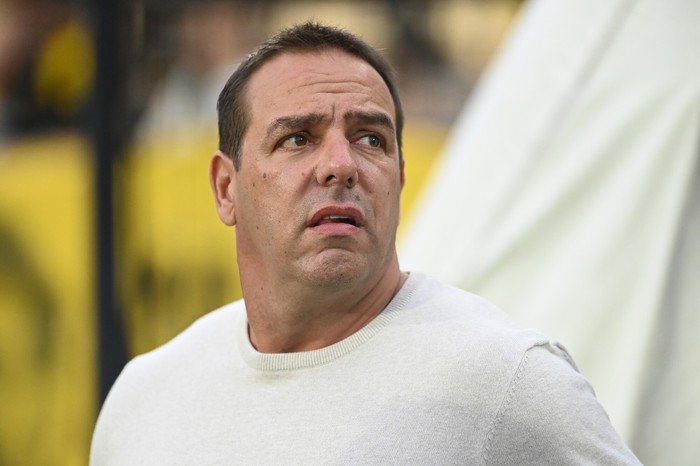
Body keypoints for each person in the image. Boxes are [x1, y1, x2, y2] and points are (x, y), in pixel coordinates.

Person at [90, 22, 641, 465]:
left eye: (370, 138)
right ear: (226, 187)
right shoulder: (146, 398)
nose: (340, 166)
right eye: (298, 138)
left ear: (399, 176)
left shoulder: (509, 382)